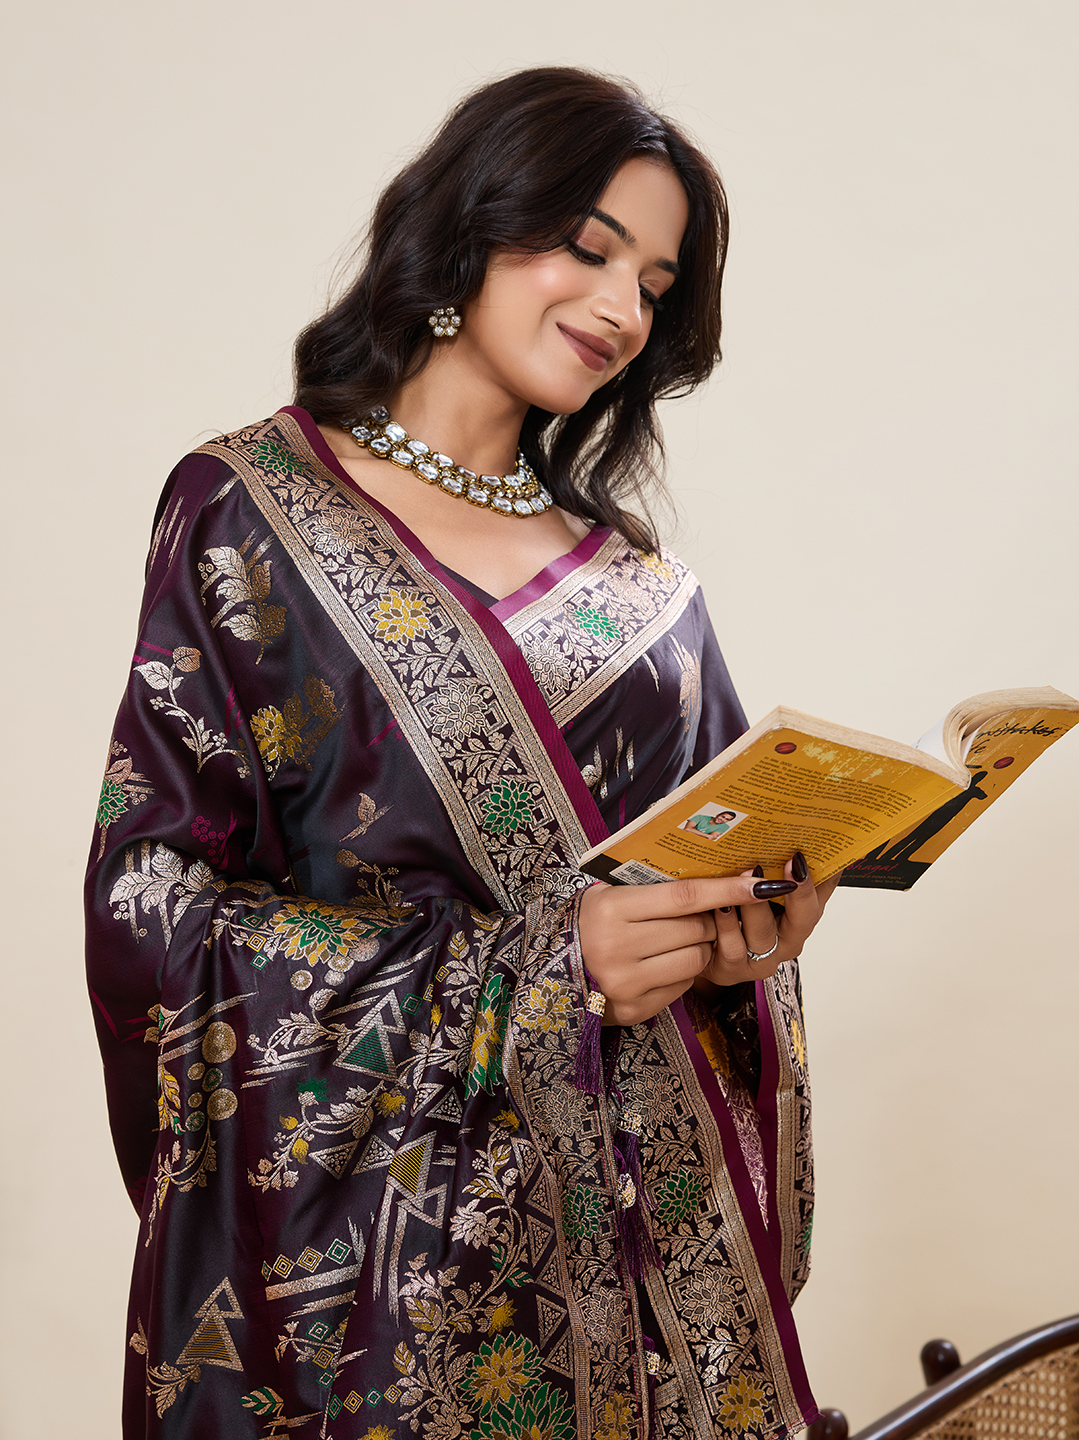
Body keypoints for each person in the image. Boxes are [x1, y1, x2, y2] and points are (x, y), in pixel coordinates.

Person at [85, 67, 837, 1440]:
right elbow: (153, 907)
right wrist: (527, 978)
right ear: (468, 232)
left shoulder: (642, 592)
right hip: (397, 1294)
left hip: (638, 1277)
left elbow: (694, 862)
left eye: (654, 283)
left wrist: (744, 944)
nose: (622, 307)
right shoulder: (255, 510)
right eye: (589, 249)